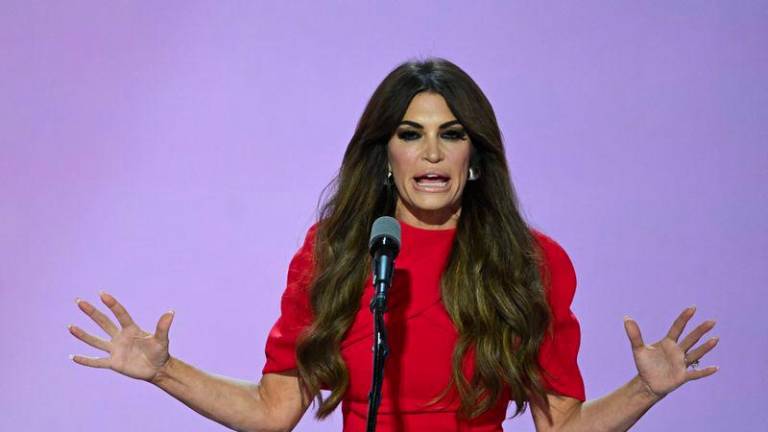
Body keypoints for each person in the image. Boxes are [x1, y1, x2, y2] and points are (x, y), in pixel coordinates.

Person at [68, 57, 719, 431]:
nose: (431, 153)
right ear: (385, 156)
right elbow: (273, 411)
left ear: (476, 154)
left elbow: (563, 428)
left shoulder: (531, 263)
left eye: (451, 134)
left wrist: (645, 390)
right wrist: (162, 372)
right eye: (410, 134)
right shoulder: (337, 252)